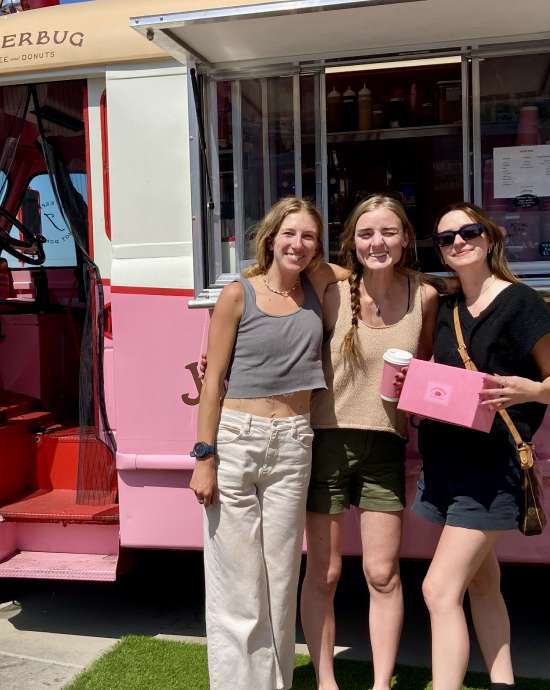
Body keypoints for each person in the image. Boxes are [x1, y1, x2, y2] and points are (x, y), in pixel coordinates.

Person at [415, 202, 550, 690]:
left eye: (468, 231)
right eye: (446, 238)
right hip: (447, 463)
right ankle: (503, 682)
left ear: (490, 236)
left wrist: (530, 389)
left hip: (493, 467)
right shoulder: (447, 308)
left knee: (439, 590)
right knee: (482, 583)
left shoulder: (522, 303)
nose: (458, 242)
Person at [191, 196, 331, 690]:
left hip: (294, 441)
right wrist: (203, 457)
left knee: (281, 578)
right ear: (270, 237)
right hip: (236, 440)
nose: (298, 244)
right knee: (238, 585)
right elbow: (214, 383)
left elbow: (368, 270)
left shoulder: (317, 289)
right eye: (289, 233)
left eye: (309, 236)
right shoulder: (237, 294)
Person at [301, 194, 437, 690]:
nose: (377, 242)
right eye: (365, 233)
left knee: (383, 574)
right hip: (326, 442)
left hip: (386, 445)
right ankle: (325, 681)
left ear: (405, 239)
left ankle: (381, 684)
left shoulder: (425, 296)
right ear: (351, 243)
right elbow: (269, 275)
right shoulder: (331, 286)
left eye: (387, 232)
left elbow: (424, 371)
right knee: (326, 573)